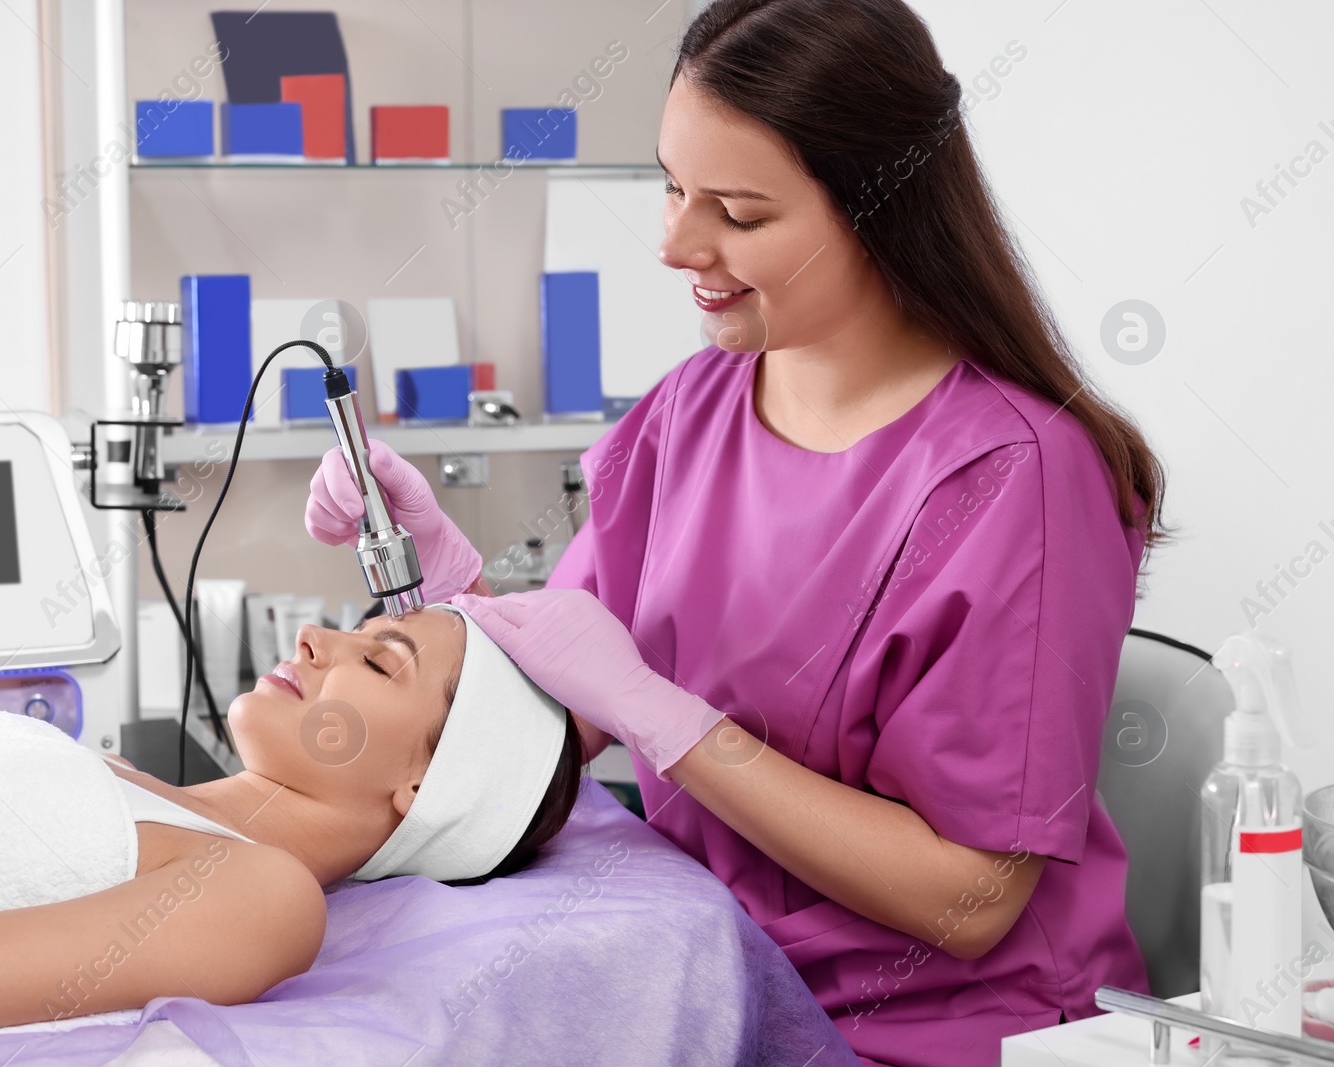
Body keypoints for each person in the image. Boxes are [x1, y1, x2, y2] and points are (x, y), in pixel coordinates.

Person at [305, 1, 1169, 1063]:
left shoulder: (1013, 481)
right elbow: (561, 721)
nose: (675, 243)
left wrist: (672, 722)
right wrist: (447, 596)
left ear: (878, 208)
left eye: (738, 213)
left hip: (925, 1032)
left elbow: (974, 895)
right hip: (699, 974)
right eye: (671, 186)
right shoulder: (694, 408)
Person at [0, 606, 583, 1046]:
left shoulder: (264, 895)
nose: (315, 637)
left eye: (378, 659)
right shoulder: (130, 784)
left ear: (424, 784)